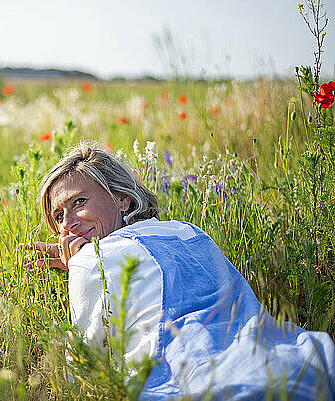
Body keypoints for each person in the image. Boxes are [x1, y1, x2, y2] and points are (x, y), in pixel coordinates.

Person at [22, 142, 335, 400]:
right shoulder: (186, 231)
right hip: (283, 353)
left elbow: (86, 366)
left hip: (187, 376)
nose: (67, 223)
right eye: (58, 215)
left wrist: (80, 268)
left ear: (122, 198)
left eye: (79, 201)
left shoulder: (93, 260)